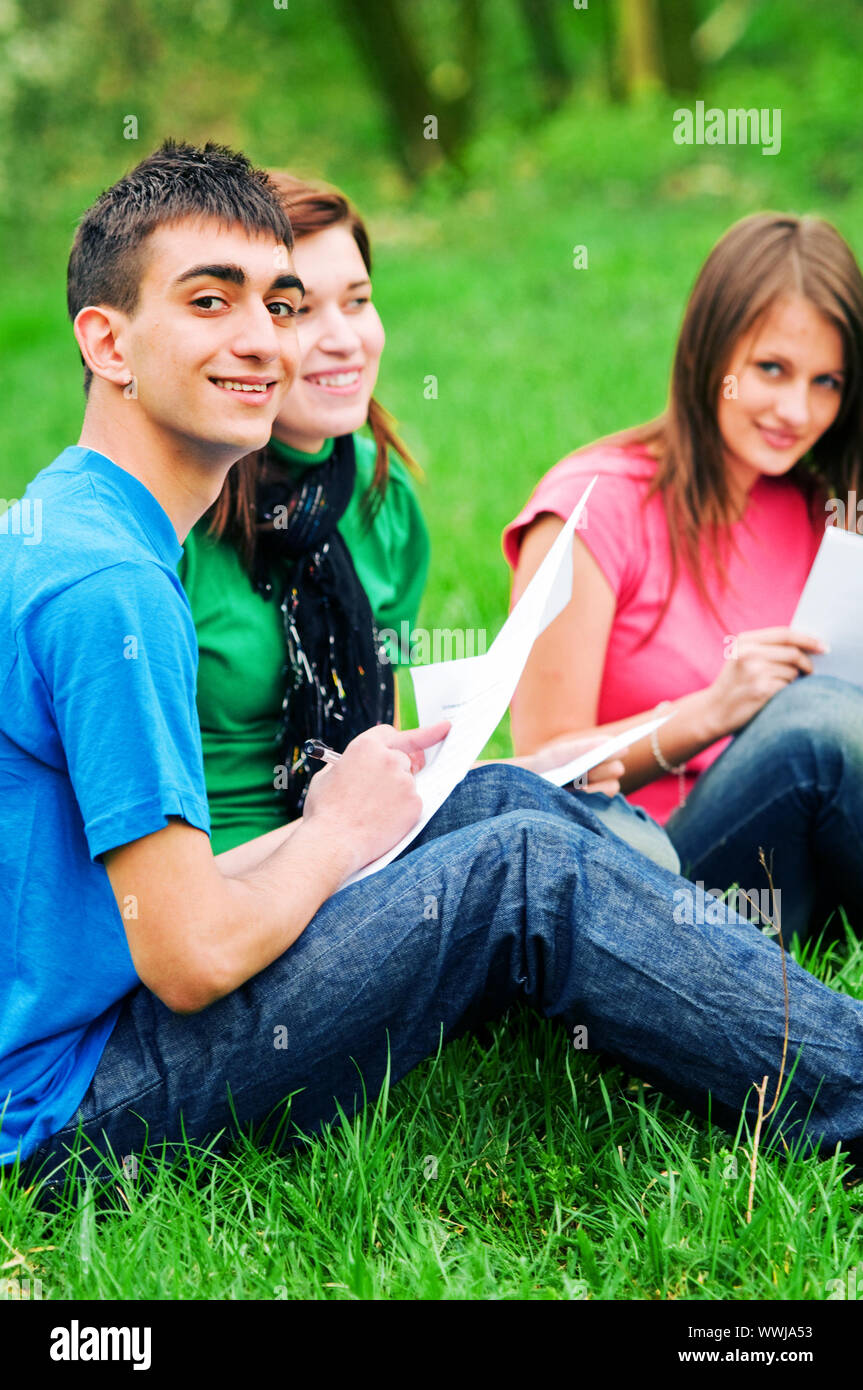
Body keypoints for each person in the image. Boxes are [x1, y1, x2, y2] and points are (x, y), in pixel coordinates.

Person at [5, 145, 863, 1197]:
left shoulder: (79, 522)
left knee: (484, 794)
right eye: (207, 300)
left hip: (92, 1016)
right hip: (74, 1104)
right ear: (109, 341)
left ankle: (742, 1009)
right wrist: (333, 834)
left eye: (273, 305)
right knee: (520, 872)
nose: (259, 340)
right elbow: (187, 956)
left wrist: (362, 811)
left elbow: (152, 901)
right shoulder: (111, 587)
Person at [181, 170, 674, 870]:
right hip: (238, 880)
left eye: (358, 301)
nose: (344, 339)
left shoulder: (382, 500)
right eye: (298, 309)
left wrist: (530, 768)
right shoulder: (182, 513)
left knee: (625, 839)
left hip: (368, 844)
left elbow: (383, 746)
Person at [505, 213, 863, 945]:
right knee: (813, 724)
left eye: (825, 383)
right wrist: (708, 711)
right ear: (710, 351)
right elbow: (535, 776)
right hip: (654, 873)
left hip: (801, 865)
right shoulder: (590, 507)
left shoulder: (820, 513)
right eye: (771, 369)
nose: (797, 411)